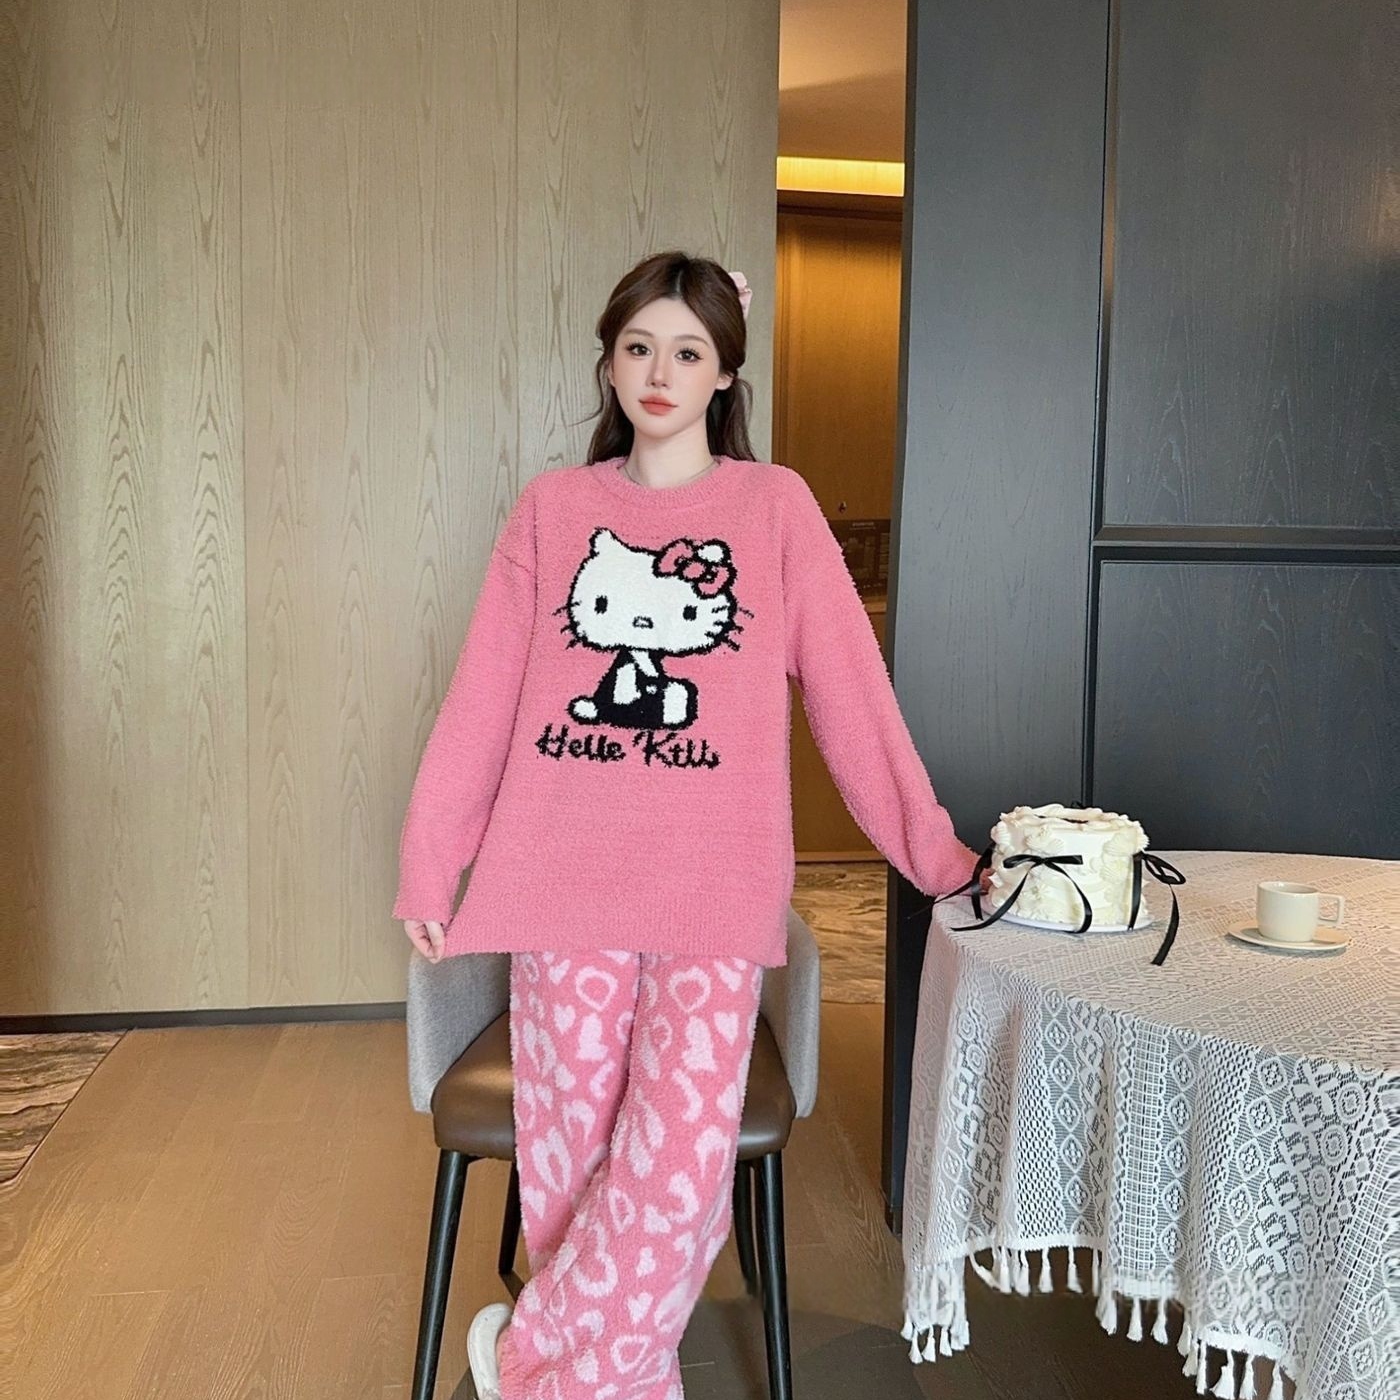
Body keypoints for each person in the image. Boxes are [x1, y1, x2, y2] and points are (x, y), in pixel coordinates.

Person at [393, 251, 981, 1400]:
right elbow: (481, 700)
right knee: (572, 1164)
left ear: (723, 373)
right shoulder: (554, 510)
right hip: (559, 889)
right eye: (639, 347)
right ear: (610, 362)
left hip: (713, 897)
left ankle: (530, 1361)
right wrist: (430, 859)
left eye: (687, 351)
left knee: (675, 1161)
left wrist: (937, 856)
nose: (659, 373)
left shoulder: (773, 509)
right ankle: (617, 1382)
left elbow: (853, 702)